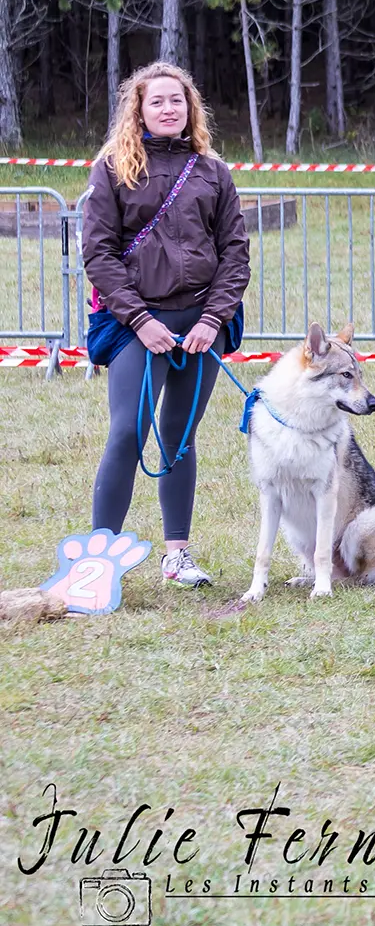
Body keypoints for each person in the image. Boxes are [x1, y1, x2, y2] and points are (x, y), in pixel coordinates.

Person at [80, 63, 249, 589]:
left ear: (190, 107)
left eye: (177, 100)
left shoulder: (213, 172)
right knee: (128, 431)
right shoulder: (112, 168)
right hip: (136, 323)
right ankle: (97, 561)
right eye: (157, 102)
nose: (168, 109)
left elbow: (235, 254)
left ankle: (177, 555)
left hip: (202, 323)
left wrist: (212, 318)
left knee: (178, 437)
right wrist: (140, 319)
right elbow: (99, 253)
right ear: (139, 109)